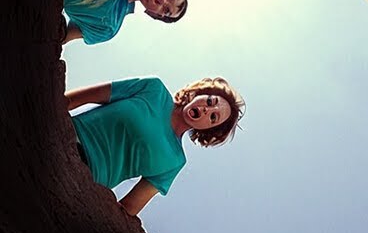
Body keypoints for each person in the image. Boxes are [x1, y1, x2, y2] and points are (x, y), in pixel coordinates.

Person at [65, 76, 245, 216]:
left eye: (213, 117)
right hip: (65, 136)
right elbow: (78, 98)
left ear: (208, 130)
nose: (207, 110)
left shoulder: (175, 161)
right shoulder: (153, 89)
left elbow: (128, 207)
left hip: (84, 182)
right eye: (210, 101)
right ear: (200, 93)